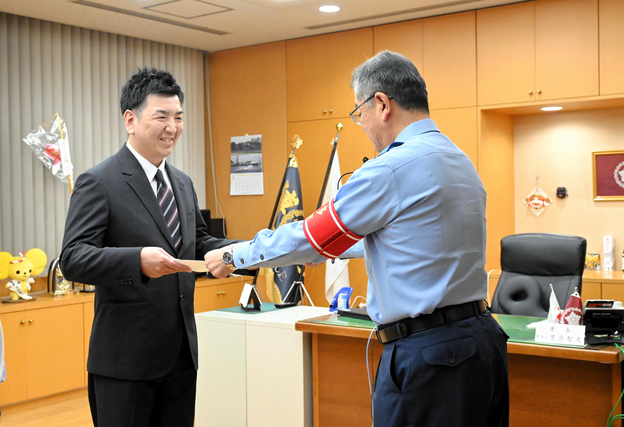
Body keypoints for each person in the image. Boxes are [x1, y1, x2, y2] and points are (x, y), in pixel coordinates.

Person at [205, 51, 509, 426]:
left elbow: (311, 236)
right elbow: (409, 238)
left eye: (358, 113)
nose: (361, 125)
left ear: (381, 104)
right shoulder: (458, 159)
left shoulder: (391, 168)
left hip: (430, 357)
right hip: (483, 344)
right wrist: (327, 249)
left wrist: (237, 255)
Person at [60, 67, 236, 427]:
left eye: (178, 117)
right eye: (161, 116)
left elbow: (198, 243)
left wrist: (255, 249)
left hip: (181, 358)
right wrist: (136, 261)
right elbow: (73, 257)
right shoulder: (99, 181)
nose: (172, 127)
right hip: (125, 362)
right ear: (131, 120)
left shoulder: (182, 183)